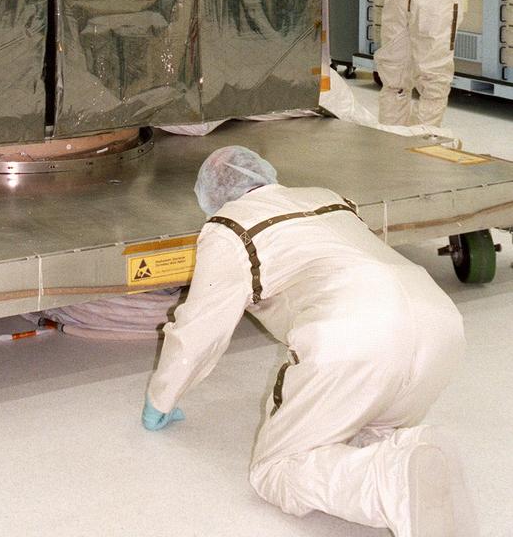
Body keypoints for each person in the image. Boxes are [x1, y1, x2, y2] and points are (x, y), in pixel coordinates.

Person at [142, 146, 473, 537]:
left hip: (354, 336)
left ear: (212, 197)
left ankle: (390, 484)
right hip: (440, 324)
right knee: (367, 430)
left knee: (276, 469)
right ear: (264, 173)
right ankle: (413, 453)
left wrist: (161, 397)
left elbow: (199, 328)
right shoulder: (327, 197)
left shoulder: (229, 229)